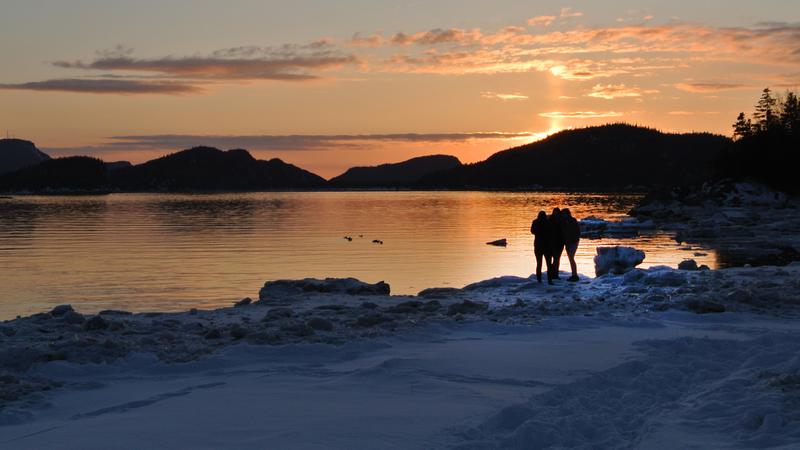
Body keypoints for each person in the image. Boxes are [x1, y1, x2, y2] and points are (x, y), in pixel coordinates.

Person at [530, 210, 554, 284]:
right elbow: (551, 233)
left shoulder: (535, 222)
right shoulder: (548, 222)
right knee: (549, 264)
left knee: (539, 263)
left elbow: (532, 231)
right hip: (547, 246)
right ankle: (549, 280)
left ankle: (539, 279)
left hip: (538, 246)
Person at [560, 208, 581, 282]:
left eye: (564, 214)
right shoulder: (564, 221)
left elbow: (576, 231)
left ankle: (575, 275)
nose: (563, 215)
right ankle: (574, 274)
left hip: (573, 242)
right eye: (562, 214)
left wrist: (572, 240)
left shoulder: (572, 220)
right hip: (568, 242)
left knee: (571, 258)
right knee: (571, 258)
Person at [548, 208, 565, 280]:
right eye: (555, 212)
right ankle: (552, 273)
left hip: (560, 243)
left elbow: (564, 231)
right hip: (552, 242)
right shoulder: (550, 220)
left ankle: (555, 274)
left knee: (557, 259)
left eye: (557, 213)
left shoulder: (561, 220)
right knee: (554, 259)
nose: (556, 214)